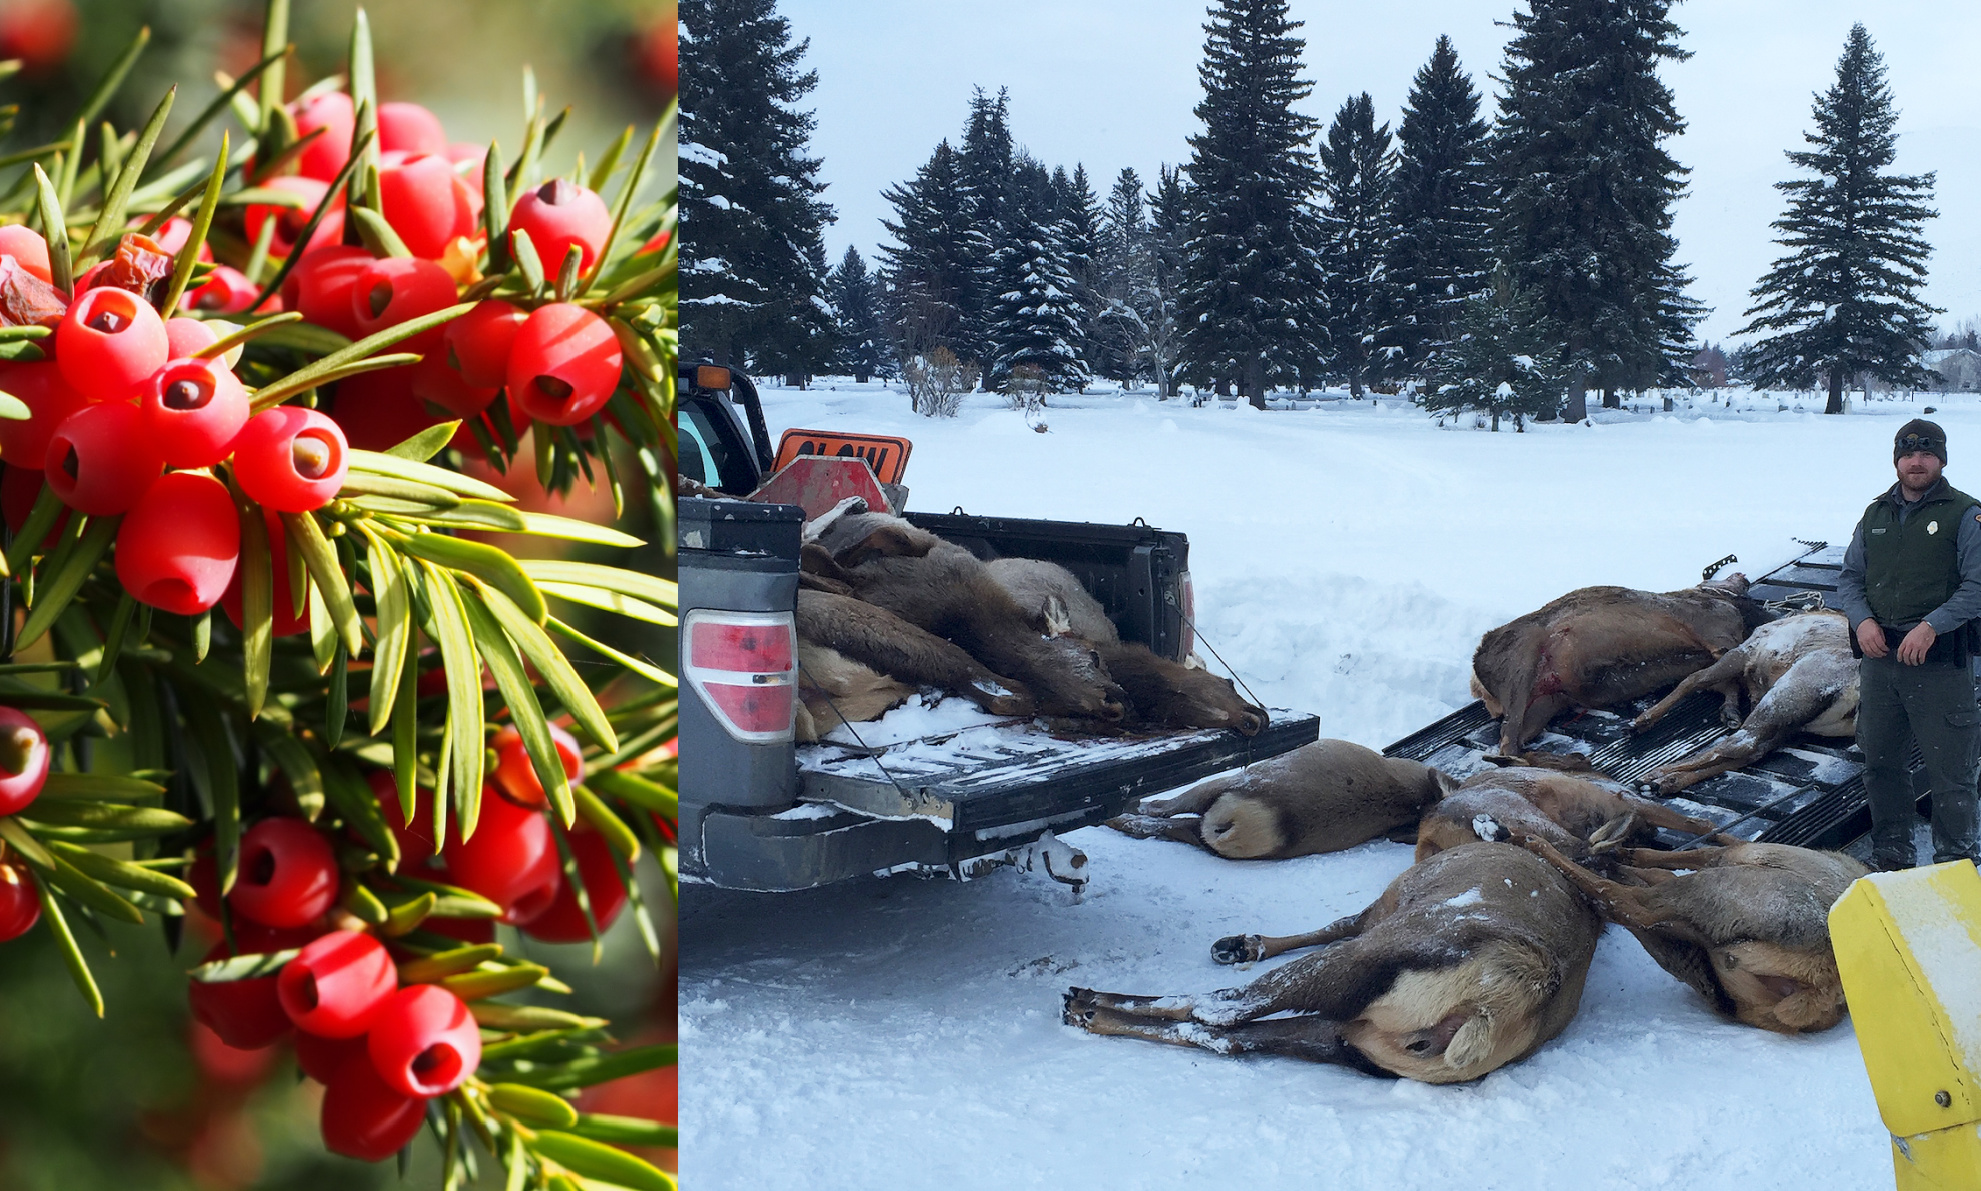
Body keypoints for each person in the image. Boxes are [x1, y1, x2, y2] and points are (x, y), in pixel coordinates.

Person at [1835, 418, 1981, 870]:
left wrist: (1932, 625)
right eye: (1907, 454)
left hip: (1939, 667)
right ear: (1897, 460)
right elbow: (1850, 579)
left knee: (1951, 774)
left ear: (1940, 459)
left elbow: (1976, 585)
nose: (1916, 462)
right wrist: (1861, 623)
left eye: (1926, 453)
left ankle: (1956, 861)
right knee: (1880, 764)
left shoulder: (1966, 514)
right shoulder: (1875, 514)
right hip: (1881, 666)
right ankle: (1891, 852)